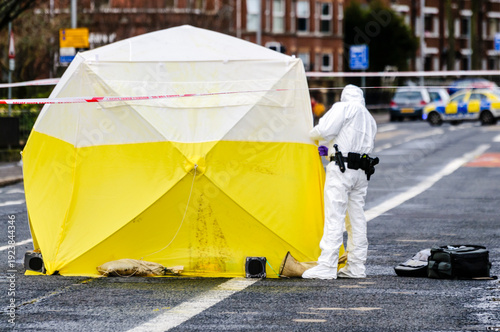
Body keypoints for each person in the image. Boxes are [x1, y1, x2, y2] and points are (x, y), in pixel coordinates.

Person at [303, 84, 377, 279]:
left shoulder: (343, 108)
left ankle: (327, 265)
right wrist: (329, 148)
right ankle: (357, 266)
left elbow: (324, 130)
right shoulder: (369, 118)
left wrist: (309, 135)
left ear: (345, 97)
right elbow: (347, 139)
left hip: (342, 170)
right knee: (356, 219)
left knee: (334, 216)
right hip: (361, 172)